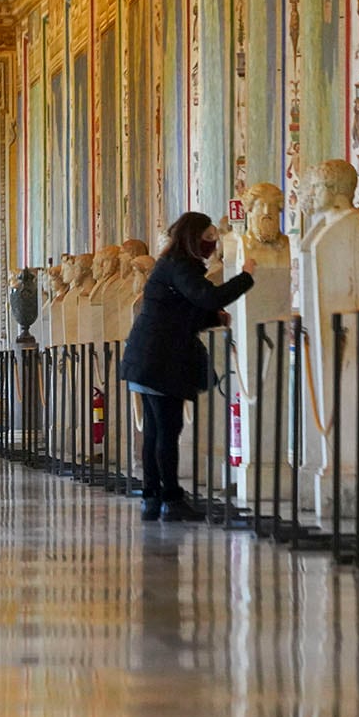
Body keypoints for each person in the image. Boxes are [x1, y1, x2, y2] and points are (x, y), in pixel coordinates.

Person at [119, 211, 256, 521]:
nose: (212, 245)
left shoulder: (173, 265)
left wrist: (213, 318)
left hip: (149, 357)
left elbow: (181, 309)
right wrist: (246, 275)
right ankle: (170, 499)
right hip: (159, 360)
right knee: (167, 431)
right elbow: (208, 297)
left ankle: (153, 498)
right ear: (195, 239)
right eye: (208, 239)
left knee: (156, 431)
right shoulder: (180, 266)